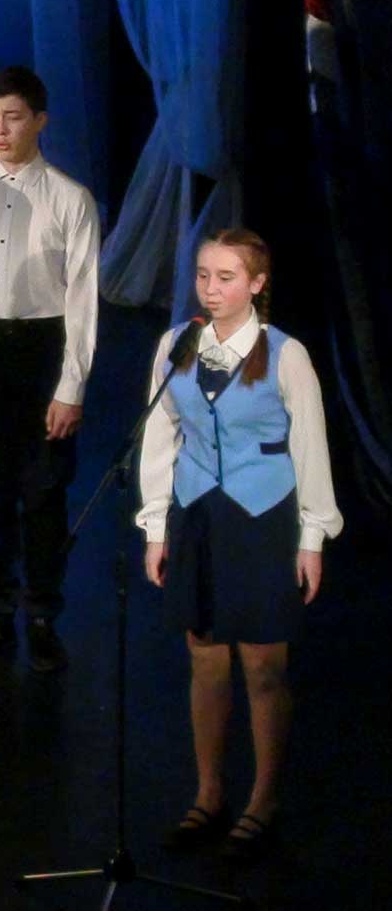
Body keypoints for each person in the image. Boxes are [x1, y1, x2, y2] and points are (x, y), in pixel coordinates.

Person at [140, 229, 340, 862]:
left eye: (226, 278)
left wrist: (312, 537)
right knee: (205, 659)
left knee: (262, 665)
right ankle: (209, 792)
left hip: (262, 515)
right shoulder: (177, 344)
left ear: (256, 283)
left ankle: (263, 799)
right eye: (203, 275)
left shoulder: (285, 354)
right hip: (197, 513)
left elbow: (310, 446)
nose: (211, 289)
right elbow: (160, 436)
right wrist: (156, 527)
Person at [0, 67, 100, 671]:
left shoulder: (70, 198)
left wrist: (71, 387)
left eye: (12, 117)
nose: (0, 130)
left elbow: (83, 300)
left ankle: (41, 616)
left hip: (42, 348)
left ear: (39, 120)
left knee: (43, 494)